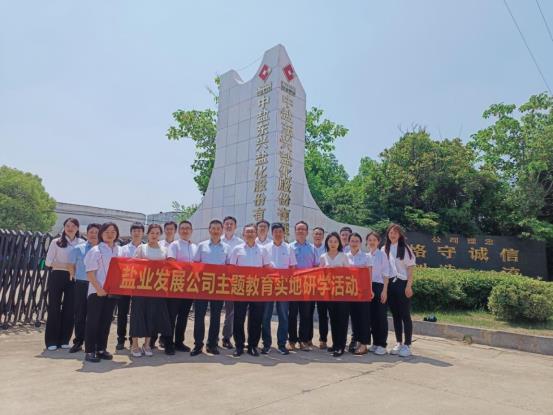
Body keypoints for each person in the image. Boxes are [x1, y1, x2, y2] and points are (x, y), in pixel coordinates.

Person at [129, 224, 173, 357]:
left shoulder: (164, 250)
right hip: (141, 287)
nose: (154, 235)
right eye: (152, 233)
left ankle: (147, 344)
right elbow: (133, 265)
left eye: (157, 233)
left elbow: (168, 268)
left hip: (157, 288)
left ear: (160, 235)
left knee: (152, 315)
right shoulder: (141, 248)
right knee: (137, 314)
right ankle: (134, 344)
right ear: (147, 234)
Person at [228, 223, 271, 357]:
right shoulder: (237, 249)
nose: (250, 234)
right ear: (243, 235)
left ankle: (253, 346)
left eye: (252, 232)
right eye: (248, 232)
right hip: (241, 287)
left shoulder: (263, 250)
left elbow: (267, 268)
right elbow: (231, 268)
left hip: (257, 287)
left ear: (256, 234)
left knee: (256, 319)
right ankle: (239, 346)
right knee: (239, 318)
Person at [83, 222, 122, 363]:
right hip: (97, 292)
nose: (110, 234)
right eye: (107, 232)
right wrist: (99, 289)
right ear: (101, 234)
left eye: (113, 232)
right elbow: (90, 273)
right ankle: (89, 351)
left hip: (112, 291)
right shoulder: (96, 250)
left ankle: (101, 349)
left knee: (106, 321)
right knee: (93, 321)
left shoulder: (120, 250)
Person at [44, 217, 83, 351]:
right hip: (57, 276)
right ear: (64, 227)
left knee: (70, 309)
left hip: (74, 278)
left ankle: (64, 339)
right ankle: (51, 341)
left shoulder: (81, 243)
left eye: (73, 226)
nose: (70, 228)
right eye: (67, 226)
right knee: (54, 307)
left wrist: (73, 268)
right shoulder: (56, 242)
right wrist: (68, 266)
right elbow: (48, 262)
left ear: (77, 228)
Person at [191, 219, 230, 356]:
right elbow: (195, 264)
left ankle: (212, 344)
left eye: (218, 228)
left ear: (221, 230)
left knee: (216, 316)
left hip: (218, 286)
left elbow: (228, 267)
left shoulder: (226, 248)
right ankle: (198, 345)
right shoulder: (201, 246)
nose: (215, 231)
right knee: (199, 316)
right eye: (213, 228)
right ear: (209, 230)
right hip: (202, 285)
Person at [261, 223, 297, 355]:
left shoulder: (289, 248)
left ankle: (282, 344)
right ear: (271, 233)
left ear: (284, 233)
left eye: (280, 231)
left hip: (283, 286)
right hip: (268, 285)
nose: (278, 234)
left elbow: (292, 267)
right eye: (275, 231)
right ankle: (266, 344)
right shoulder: (265, 248)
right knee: (266, 316)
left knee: (283, 316)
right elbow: (262, 266)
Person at [384, 223, 416, 357]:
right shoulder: (384, 249)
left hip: (402, 284)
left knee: (405, 315)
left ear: (400, 235)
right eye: (391, 232)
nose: (393, 235)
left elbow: (410, 269)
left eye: (395, 233)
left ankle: (407, 345)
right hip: (390, 284)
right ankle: (399, 342)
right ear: (388, 234)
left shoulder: (405, 248)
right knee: (395, 315)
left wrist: (408, 286)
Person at [69, 223, 100, 353]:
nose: (94, 234)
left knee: (95, 315)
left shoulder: (102, 250)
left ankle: (93, 342)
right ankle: (78, 341)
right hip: (81, 284)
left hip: (97, 286)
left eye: (96, 232)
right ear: (87, 233)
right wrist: (74, 276)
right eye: (91, 232)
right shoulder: (78, 248)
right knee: (80, 314)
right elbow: (71, 265)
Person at [166, 220, 197, 352]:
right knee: (171, 316)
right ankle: (168, 343)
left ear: (191, 231)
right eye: (182, 228)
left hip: (189, 287)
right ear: (179, 231)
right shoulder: (174, 245)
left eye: (187, 228)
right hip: (176, 285)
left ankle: (179, 342)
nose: (185, 230)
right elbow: (171, 262)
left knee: (183, 316)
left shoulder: (195, 247)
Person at [320, 232, 350, 357]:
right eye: (330, 241)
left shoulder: (343, 256)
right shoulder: (323, 257)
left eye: (335, 241)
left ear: (339, 243)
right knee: (333, 318)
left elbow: (349, 274)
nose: (333, 244)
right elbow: (320, 274)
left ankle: (341, 346)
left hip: (342, 292)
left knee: (342, 319)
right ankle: (335, 343)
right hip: (329, 292)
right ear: (327, 243)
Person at [289, 221, 318, 351]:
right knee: (292, 314)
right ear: (295, 231)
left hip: (307, 285)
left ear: (307, 232)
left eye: (303, 229)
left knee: (305, 314)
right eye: (298, 229)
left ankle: (303, 340)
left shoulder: (313, 248)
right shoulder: (289, 247)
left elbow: (316, 266)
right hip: (293, 285)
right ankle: (292, 340)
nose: (300, 231)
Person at [116, 221, 144, 350]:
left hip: (141, 286)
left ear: (143, 233)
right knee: (122, 313)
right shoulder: (123, 249)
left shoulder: (146, 248)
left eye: (139, 231)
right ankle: (121, 339)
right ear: (131, 233)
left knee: (136, 314)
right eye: (134, 231)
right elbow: (119, 265)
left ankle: (134, 339)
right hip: (125, 284)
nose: (136, 233)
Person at [151, 221, 178, 349]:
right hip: (159, 284)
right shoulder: (158, 244)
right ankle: (152, 340)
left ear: (175, 231)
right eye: (167, 229)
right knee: (157, 312)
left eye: (171, 229)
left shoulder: (179, 245)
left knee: (171, 314)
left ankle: (167, 340)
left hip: (174, 284)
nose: (169, 231)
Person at [220, 216, 243, 350]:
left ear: (235, 226)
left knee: (231, 311)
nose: (229, 226)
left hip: (233, 282)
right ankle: (212, 339)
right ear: (223, 226)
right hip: (217, 280)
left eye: (231, 224)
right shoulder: (217, 241)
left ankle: (226, 337)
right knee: (215, 311)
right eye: (227, 224)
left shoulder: (240, 243)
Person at [346, 233, 371, 355]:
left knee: (364, 317)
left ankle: (364, 343)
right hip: (350, 292)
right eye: (352, 241)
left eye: (356, 241)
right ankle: (355, 340)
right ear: (349, 242)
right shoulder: (345, 257)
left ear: (360, 243)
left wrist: (370, 290)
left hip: (363, 292)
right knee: (354, 317)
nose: (354, 243)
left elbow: (369, 274)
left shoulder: (366, 257)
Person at [367, 231, 390, 355]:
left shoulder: (382, 255)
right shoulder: (366, 255)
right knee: (372, 317)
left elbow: (386, 273)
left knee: (381, 316)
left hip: (380, 286)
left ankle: (382, 344)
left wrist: (385, 291)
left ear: (378, 242)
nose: (372, 242)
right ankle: (375, 343)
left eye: (374, 240)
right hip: (368, 287)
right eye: (370, 240)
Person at [312, 226, 328, 349]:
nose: (318, 236)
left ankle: (323, 339)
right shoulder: (308, 248)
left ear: (323, 236)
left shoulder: (327, 249)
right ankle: (307, 339)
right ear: (312, 235)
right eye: (316, 234)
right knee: (308, 312)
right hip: (310, 284)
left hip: (323, 285)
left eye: (320, 234)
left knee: (323, 313)